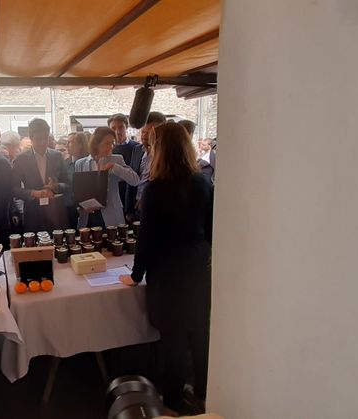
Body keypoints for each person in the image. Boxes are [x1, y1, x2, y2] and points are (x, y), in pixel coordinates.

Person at [119, 122, 213, 413]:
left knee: (173, 337)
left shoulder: (156, 189)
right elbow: (212, 228)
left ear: (159, 149)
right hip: (198, 266)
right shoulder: (203, 182)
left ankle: (172, 400)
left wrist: (135, 275)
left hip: (168, 271)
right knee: (200, 332)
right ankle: (204, 391)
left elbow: (147, 238)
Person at [74, 127, 140, 228]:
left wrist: (115, 167)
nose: (111, 147)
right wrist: (81, 207)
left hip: (111, 214)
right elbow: (78, 190)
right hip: (88, 215)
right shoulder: (80, 163)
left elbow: (135, 180)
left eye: (112, 143)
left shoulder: (117, 159)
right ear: (96, 143)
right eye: (107, 143)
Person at [11, 118, 69, 232]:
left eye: (45, 138)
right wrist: (33, 193)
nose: (43, 142)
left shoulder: (57, 156)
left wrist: (56, 186)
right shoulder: (21, 159)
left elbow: (67, 184)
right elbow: (13, 188)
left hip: (55, 212)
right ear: (31, 138)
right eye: (39, 139)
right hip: (33, 213)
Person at [125, 111, 166, 221]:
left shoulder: (166, 155)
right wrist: (128, 210)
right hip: (135, 207)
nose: (144, 135)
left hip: (156, 209)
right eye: (143, 131)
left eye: (149, 132)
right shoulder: (137, 150)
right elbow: (131, 180)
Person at [109, 113, 142, 204]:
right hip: (113, 195)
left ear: (126, 127)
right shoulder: (107, 149)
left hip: (133, 194)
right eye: (113, 128)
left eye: (120, 127)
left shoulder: (137, 148)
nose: (117, 131)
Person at [65, 132, 89, 229]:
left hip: (86, 208)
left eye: (70, 142)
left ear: (80, 145)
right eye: (67, 142)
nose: (67, 145)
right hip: (69, 207)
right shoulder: (65, 164)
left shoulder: (89, 162)